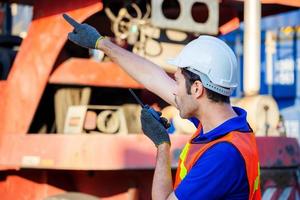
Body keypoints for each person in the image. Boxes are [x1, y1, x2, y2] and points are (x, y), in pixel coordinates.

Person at [63, 14, 261, 200]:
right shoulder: (223, 126)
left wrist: (162, 145)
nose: (173, 91)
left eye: (177, 82)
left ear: (197, 88)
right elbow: (153, 77)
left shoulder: (222, 156)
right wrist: (102, 44)